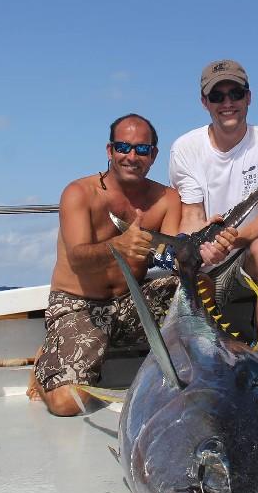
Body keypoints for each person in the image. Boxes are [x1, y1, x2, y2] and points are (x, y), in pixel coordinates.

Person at [29, 114, 181, 416]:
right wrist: (119, 247)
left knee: (199, 286)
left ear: (153, 155)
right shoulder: (79, 193)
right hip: (80, 305)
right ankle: (45, 363)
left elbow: (170, 255)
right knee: (67, 404)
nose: (131, 156)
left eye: (141, 149)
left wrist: (209, 243)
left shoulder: (167, 199)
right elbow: (78, 258)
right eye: (123, 147)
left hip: (133, 302)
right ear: (110, 150)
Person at [169, 60, 258, 372]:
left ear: (248, 97)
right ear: (204, 102)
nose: (227, 103)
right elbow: (191, 215)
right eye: (217, 96)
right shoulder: (185, 147)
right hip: (206, 261)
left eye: (235, 94)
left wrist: (231, 240)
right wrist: (200, 249)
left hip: (243, 257)